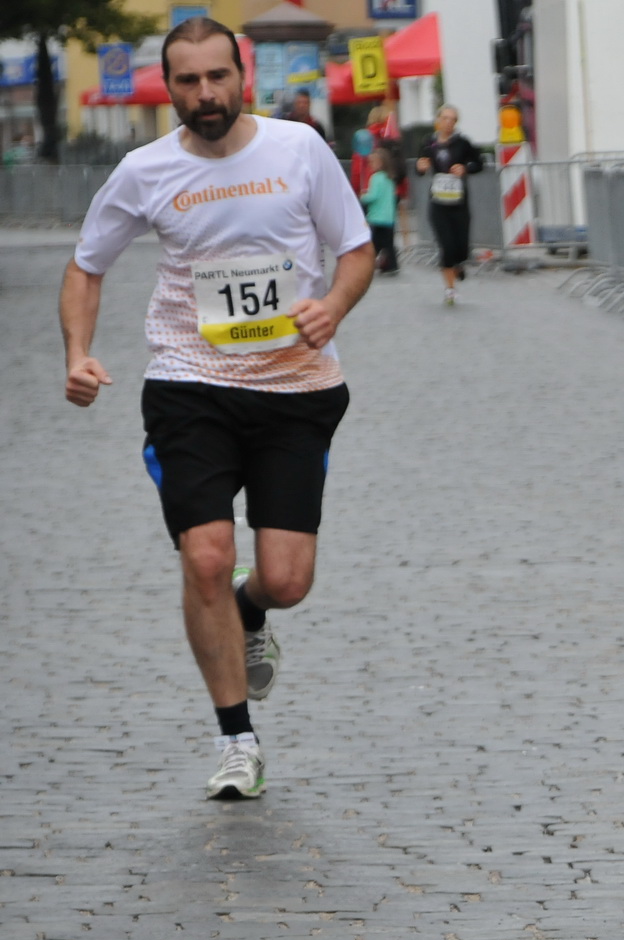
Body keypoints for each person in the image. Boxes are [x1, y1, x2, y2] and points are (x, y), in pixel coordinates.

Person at [59, 17, 373, 801]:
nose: (206, 93)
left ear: (244, 77)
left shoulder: (298, 149)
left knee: (286, 580)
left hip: (295, 389)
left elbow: (356, 249)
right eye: (189, 80)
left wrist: (333, 305)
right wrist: (77, 352)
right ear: (169, 88)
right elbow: (87, 265)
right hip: (189, 384)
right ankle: (237, 739)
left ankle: (248, 608)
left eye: (218, 76)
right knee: (203, 554)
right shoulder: (144, 170)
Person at [416, 104, 484, 305]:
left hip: (459, 203)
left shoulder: (462, 143)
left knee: (461, 247)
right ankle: (450, 289)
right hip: (438, 203)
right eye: (445, 118)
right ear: (438, 120)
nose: (448, 123)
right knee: (446, 246)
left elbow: (479, 163)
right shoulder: (429, 143)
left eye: (452, 119)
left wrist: (465, 168)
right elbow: (420, 167)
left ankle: (458, 263)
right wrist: (421, 167)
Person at [360, 146, 398, 274]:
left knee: (373, 245)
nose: (370, 165)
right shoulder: (390, 178)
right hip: (389, 218)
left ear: (380, 163)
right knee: (389, 245)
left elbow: (373, 196)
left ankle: (367, 265)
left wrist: (363, 196)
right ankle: (392, 265)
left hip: (376, 217)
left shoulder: (375, 178)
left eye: (372, 162)